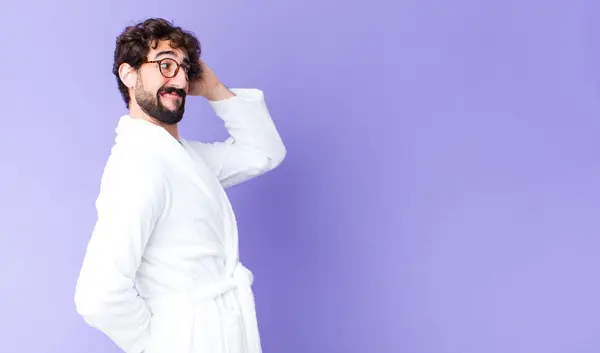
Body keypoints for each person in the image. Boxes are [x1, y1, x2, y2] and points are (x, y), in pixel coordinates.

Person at [73, 18, 286, 353]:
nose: (181, 80)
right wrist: (158, 343)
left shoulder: (183, 158)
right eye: (165, 64)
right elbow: (97, 295)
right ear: (128, 74)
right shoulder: (138, 165)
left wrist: (214, 88)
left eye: (186, 69)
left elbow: (264, 153)